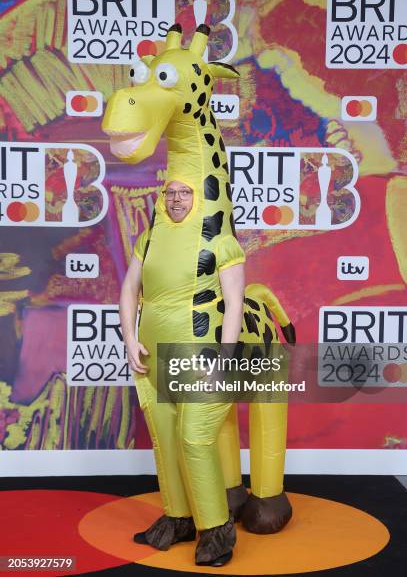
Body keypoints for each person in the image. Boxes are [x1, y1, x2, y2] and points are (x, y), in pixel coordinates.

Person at [119, 179, 245, 566]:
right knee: (166, 440)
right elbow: (129, 289)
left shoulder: (221, 242)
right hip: (153, 358)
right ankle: (178, 521)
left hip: (201, 358)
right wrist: (129, 338)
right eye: (170, 192)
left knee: (194, 439)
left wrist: (225, 357)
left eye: (185, 192)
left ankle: (217, 533)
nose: (176, 199)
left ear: (200, 196)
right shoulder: (150, 236)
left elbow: (235, 303)